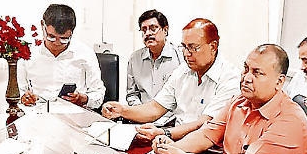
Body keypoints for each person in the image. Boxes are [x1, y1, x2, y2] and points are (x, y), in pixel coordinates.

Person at [152, 44, 307, 154]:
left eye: (257, 73)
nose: (246, 78)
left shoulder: (291, 118)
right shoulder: (239, 101)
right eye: (246, 69)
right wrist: (171, 148)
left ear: (279, 82)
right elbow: (206, 135)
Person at [102, 18, 239, 142]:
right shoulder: (183, 71)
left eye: (193, 47)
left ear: (213, 46)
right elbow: (155, 108)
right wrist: (122, 110)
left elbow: (205, 124)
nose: (186, 54)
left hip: (206, 149)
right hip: (174, 142)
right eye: (184, 47)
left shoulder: (230, 78)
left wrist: (166, 133)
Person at [19, 4, 106, 110]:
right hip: (38, 113)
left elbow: (98, 93)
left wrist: (83, 99)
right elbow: (19, 92)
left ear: (72, 32)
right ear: (42, 25)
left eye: (64, 39)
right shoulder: (28, 54)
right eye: (51, 37)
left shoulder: (85, 53)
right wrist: (24, 98)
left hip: (74, 113)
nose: (57, 43)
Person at [126, 9, 183, 106]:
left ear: (165, 30)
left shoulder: (180, 57)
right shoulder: (134, 58)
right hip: (141, 113)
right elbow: (132, 94)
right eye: (144, 30)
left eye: (153, 28)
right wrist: (140, 110)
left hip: (171, 114)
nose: (148, 33)